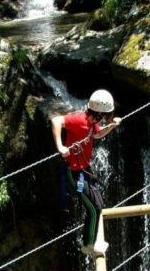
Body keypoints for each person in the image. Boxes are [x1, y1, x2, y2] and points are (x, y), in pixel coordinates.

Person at [51, 89, 121, 256]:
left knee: (99, 205)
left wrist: (111, 126)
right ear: (98, 113)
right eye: (104, 116)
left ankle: (92, 240)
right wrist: (60, 146)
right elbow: (56, 121)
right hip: (73, 173)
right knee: (94, 209)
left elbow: (96, 135)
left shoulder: (91, 123)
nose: (104, 118)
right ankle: (88, 245)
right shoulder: (79, 119)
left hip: (84, 170)